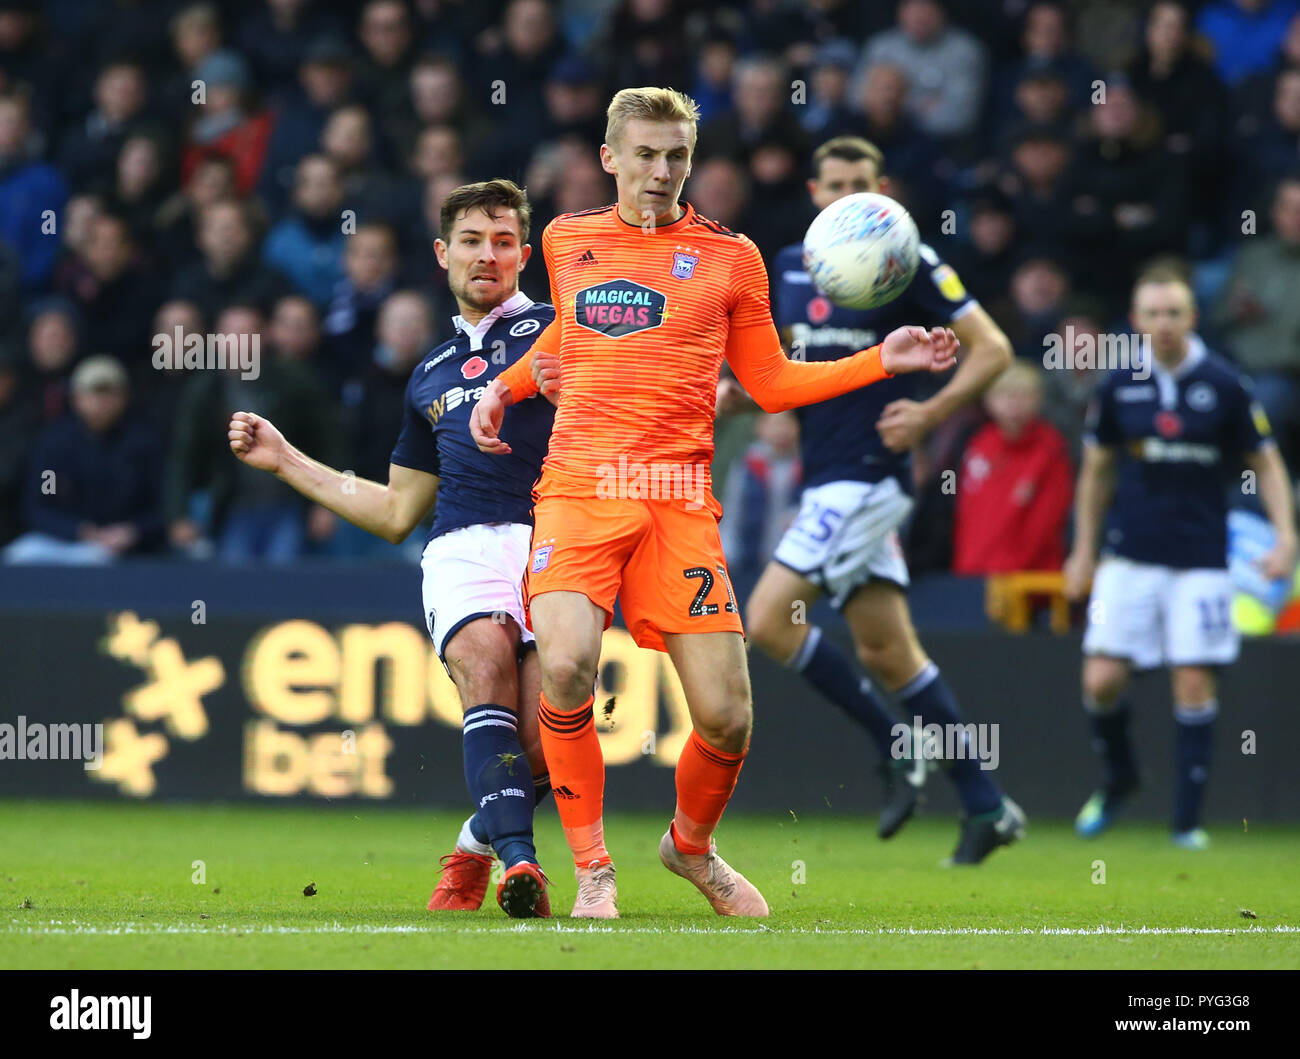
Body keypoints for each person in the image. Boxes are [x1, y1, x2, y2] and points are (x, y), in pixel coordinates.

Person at [470, 88, 961, 918]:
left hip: (677, 500)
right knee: (561, 665)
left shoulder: (733, 259)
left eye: (677, 157)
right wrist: (505, 387)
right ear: (609, 158)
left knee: (728, 717)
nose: (662, 172)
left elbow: (770, 384)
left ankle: (688, 847)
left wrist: (883, 357)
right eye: (647, 154)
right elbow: (571, 333)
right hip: (579, 489)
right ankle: (593, 870)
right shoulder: (566, 238)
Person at [228, 179, 558, 918]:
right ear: (443, 254)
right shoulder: (430, 375)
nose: (488, 255)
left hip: (558, 541)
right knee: (483, 661)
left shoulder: (560, 332)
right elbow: (396, 511)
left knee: (549, 741)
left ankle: (475, 844)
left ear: (525, 255)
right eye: (471, 240)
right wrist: (287, 460)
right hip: (463, 546)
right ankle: (518, 863)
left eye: (504, 241)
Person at [719, 135, 1026, 862]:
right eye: (835, 182)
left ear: (882, 187)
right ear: (816, 192)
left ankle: (894, 744)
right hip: (825, 474)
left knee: (765, 619)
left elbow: (994, 348)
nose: (850, 192)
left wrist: (930, 412)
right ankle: (986, 803)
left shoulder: (907, 258)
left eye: (863, 180)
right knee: (889, 651)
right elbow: (783, 372)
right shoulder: (792, 268)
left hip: (869, 476)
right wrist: (735, 399)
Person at [1064, 266, 1297, 848]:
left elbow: (1264, 461)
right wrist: (1083, 550)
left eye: (1173, 313)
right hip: (1129, 555)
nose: (1163, 324)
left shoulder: (1224, 384)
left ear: (1191, 318)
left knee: (1192, 681)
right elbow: (1096, 470)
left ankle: (1186, 822)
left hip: (1201, 559)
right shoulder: (1119, 386)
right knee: (1102, 680)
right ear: (1137, 321)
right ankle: (1120, 778)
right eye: (1152, 314)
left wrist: (1285, 536)